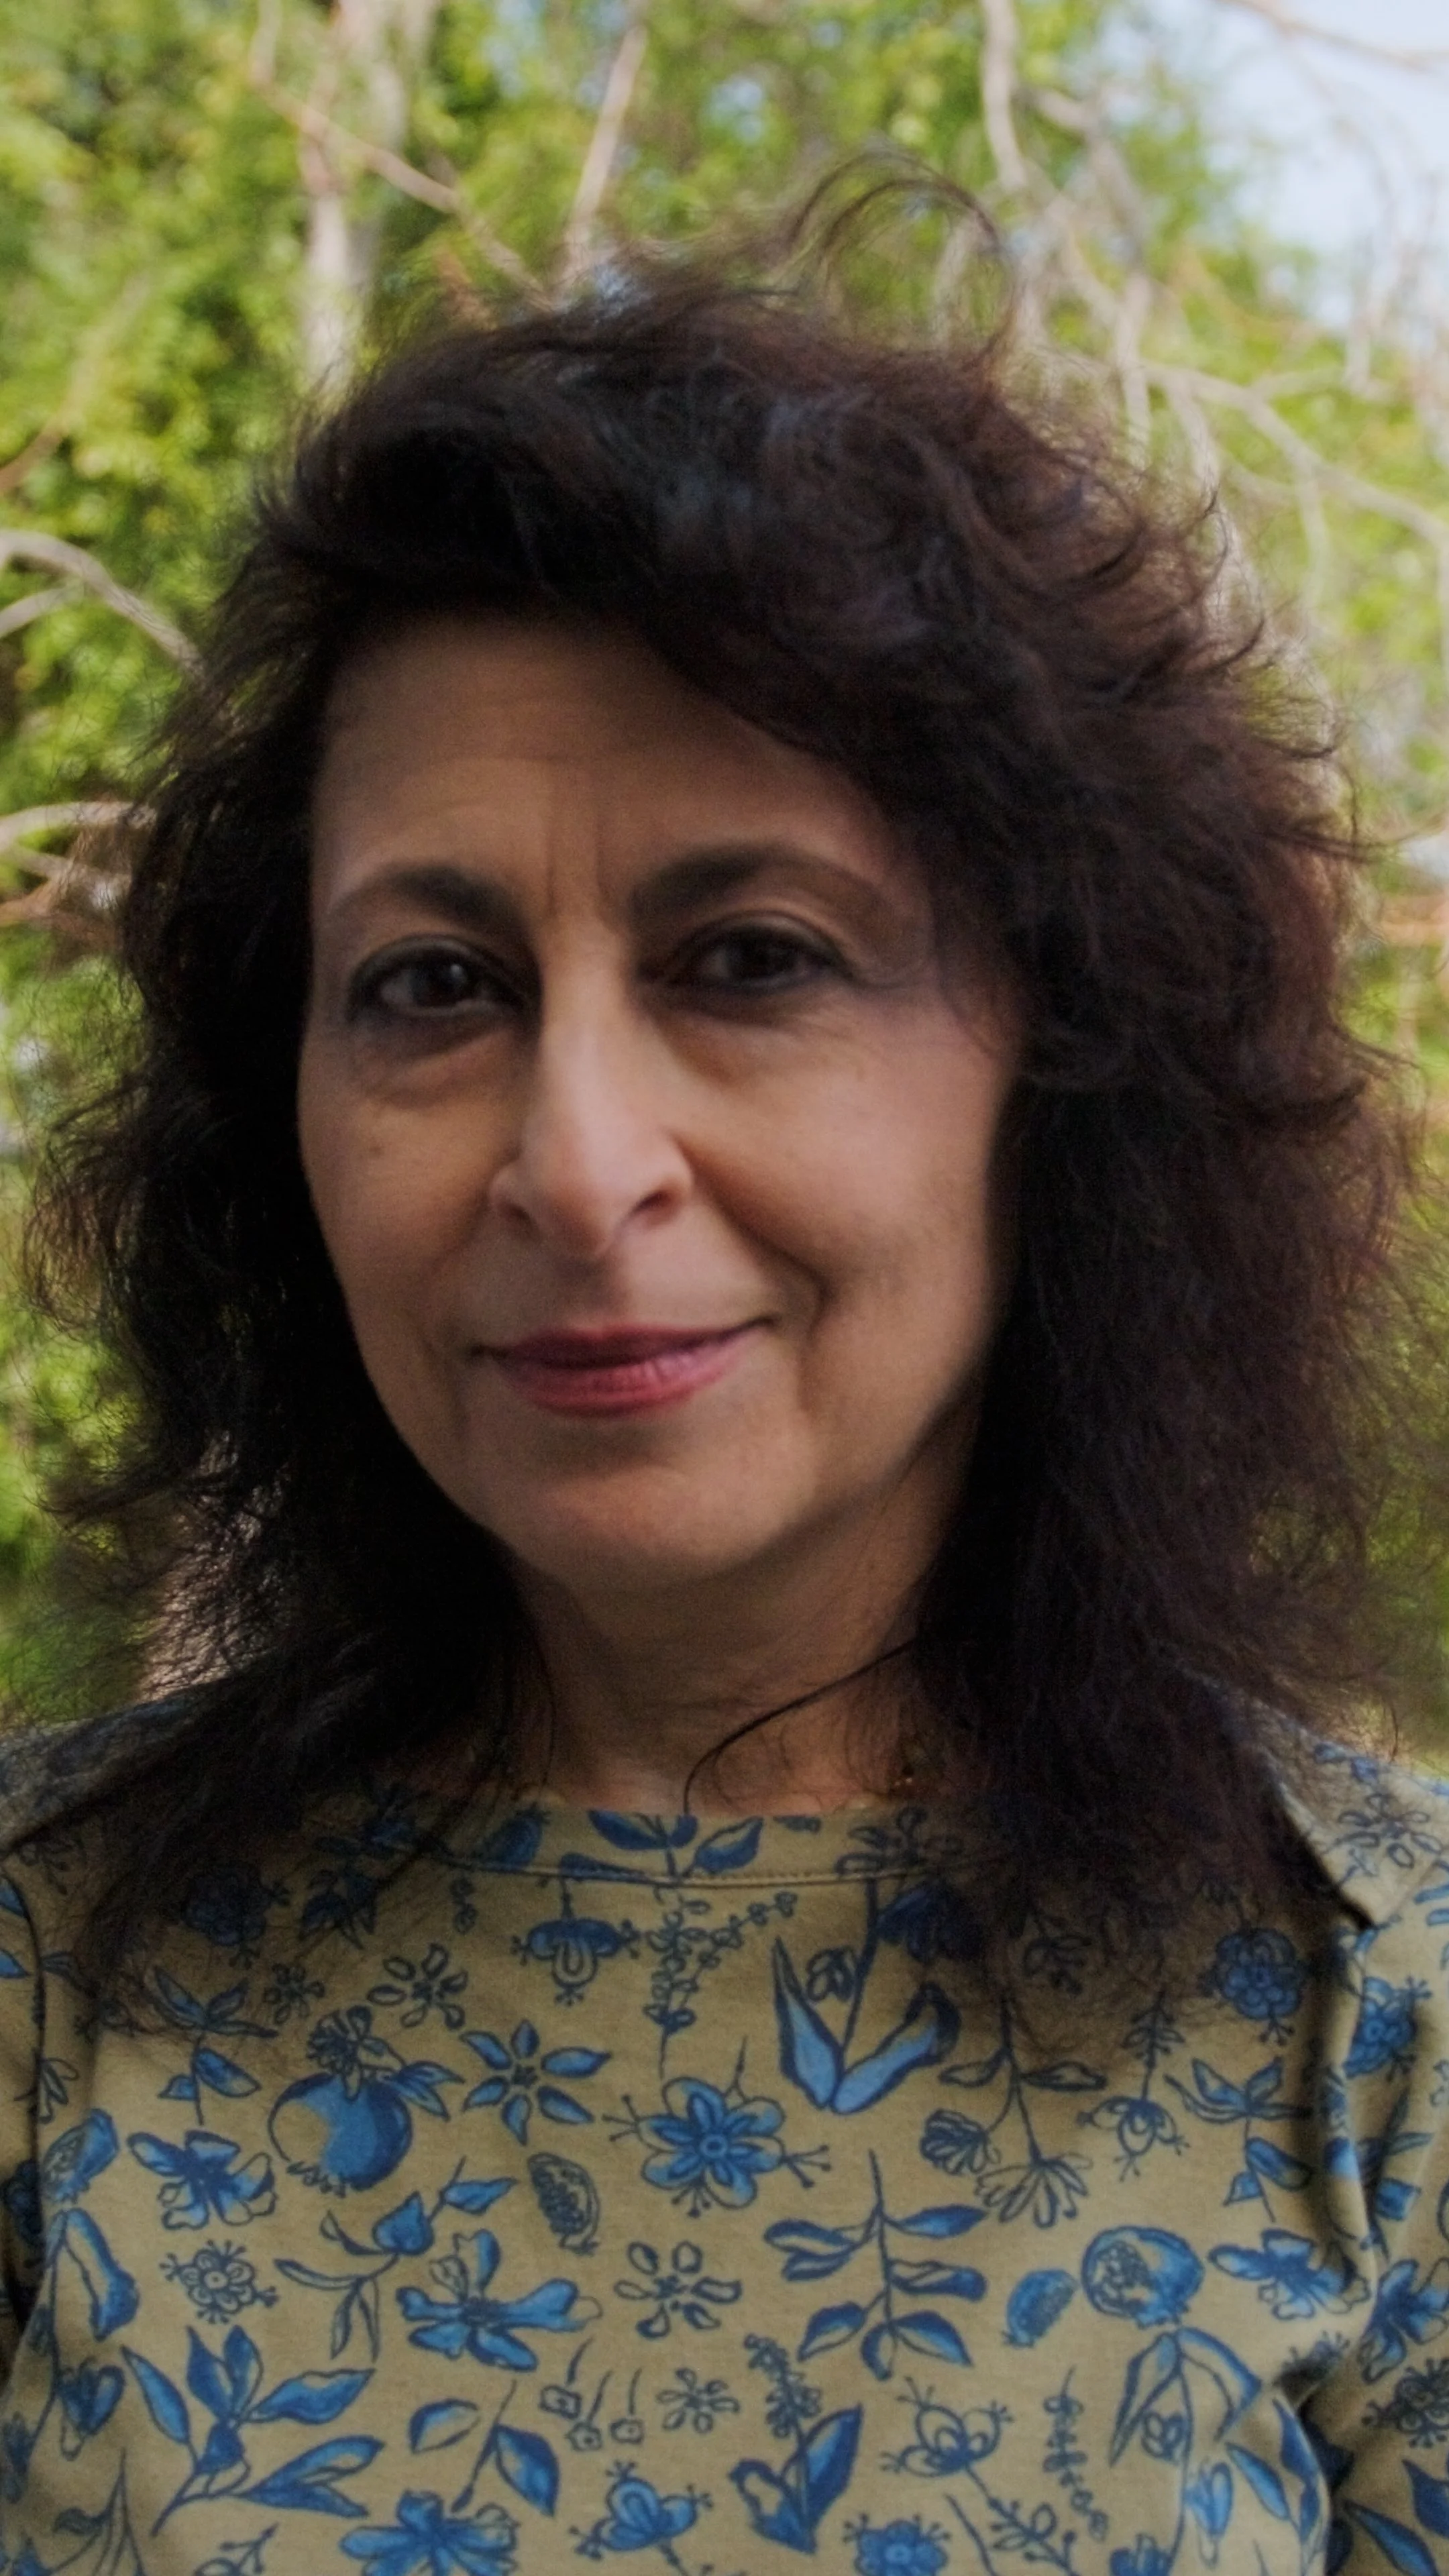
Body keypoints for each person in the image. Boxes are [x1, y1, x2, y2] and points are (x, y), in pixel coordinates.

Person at [0, 239, 1446, 2576]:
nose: (575, 1165)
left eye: (751, 959)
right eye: (436, 982)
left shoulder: (1383, 2034)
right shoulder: (43, 1966)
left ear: (1062, 1077)